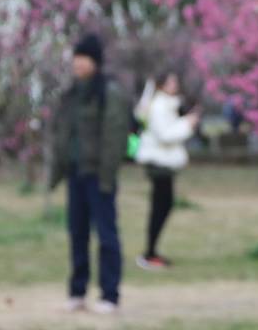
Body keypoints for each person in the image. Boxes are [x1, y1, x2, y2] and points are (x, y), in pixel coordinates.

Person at [49, 34, 129, 314]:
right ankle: (77, 290)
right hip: (76, 173)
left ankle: (110, 294)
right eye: (76, 57)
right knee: (77, 233)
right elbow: (62, 134)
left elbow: (115, 136)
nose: (78, 63)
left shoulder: (109, 94)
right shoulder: (70, 94)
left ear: (95, 61)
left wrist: (107, 173)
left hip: (99, 175)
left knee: (106, 235)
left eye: (83, 58)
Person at [134, 70, 200, 270]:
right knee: (160, 206)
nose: (175, 85)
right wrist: (187, 124)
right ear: (161, 85)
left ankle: (151, 251)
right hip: (159, 163)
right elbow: (165, 135)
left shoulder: (165, 105)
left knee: (162, 206)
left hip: (163, 163)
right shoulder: (159, 106)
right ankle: (150, 253)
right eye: (171, 82)